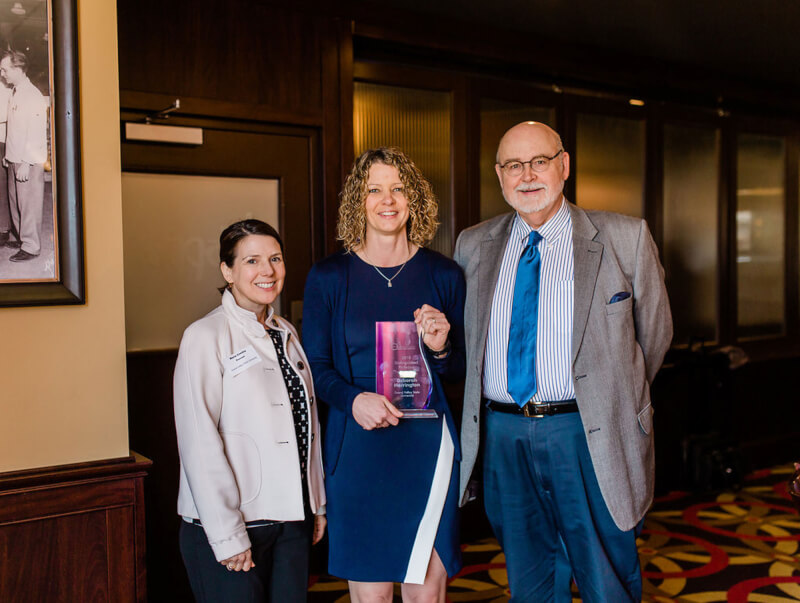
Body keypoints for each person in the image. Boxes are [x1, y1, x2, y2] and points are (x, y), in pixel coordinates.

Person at [454, 121, 672, 602]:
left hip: (588, 433)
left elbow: (653, 338)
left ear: (564, 165)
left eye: (540, 161)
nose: (527, 175)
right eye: (514, 165)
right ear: (499, 174)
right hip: (503, 435)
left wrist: (608, 396)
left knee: (606, 580)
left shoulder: (624, 237)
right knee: (528, 582)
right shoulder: (473, 245)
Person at [303, 147, 465, 602]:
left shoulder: (444, 274)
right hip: (357, 452)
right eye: (374, 189)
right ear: (360, 200)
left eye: (398, 188)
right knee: (370, 596)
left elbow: (459, 372)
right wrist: (354, 400)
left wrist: (441, 347)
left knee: (425, 594)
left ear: (414, 199)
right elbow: (315, 368)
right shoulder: (329, 277)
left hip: (427, 449)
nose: (387, 199)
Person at [174, 219, 326, 603]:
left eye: (275, 259)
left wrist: (316, 503)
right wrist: (228, 535)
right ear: (228, 270)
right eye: (252, 261)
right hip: (232, 526)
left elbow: (306, 425)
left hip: (290, 520)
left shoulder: (285, 332)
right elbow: (198, 442)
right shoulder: (204, 336)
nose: (268, 271)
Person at [0, 51, 47, 262]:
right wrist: (9, 156)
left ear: (18, 69)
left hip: (27, 160)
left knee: (28, 204)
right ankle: (21, 238)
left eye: (5, 69)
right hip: (14, 158)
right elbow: (15, 129)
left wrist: (26, 163)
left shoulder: (32, 96)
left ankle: (31, 246)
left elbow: (36, 132)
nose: (2, 74)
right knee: (16, 202)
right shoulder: (16, 92)